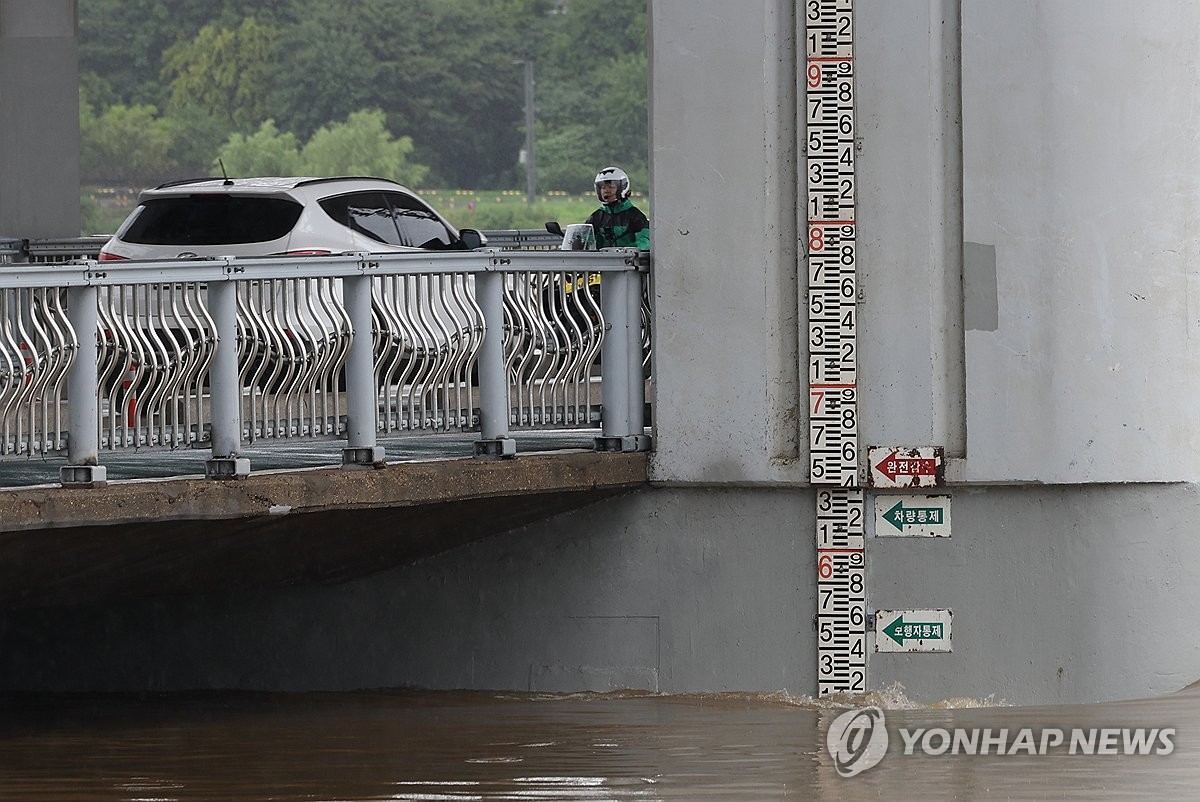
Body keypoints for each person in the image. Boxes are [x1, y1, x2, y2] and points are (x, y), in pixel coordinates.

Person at [585, 166, 650, 250]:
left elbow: (646, 240)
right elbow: (585, 240)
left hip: (627, 261)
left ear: (622, 187)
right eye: (603, 187)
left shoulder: (635, 215)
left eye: (611, 187)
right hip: (601, 261)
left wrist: (628, 250)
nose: (606, 190)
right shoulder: (596, 217)